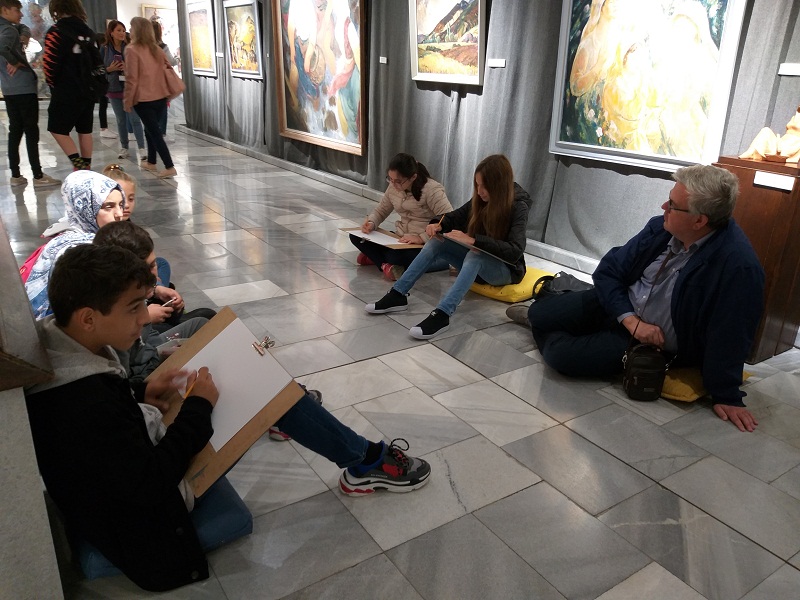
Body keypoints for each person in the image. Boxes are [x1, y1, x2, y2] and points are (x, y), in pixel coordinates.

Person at [24, 243, 432, 591]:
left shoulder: (62, 345)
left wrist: (140, 392)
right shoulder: (84, 404)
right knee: (269, 392)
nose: (144, 318)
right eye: (134, 309)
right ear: (88, 318)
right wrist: (198, 407)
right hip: (152, 518)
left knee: (260, 382)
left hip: (134, 464)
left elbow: (111, 428)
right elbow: (151, 483)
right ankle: (366, 462)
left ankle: (323, 435)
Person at [520, 164, 764, 432]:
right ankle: (557, 322)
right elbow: (609, 271)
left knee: (560, 356)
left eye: (673, 205)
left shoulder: (738, 267)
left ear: (699, 221)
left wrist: (727, 394)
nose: (664, 206)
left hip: (645, 343)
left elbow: (732, 333)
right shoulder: (661, 228)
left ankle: (565, 329)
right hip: (620, 309)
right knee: (537, 312)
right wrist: (629, 319)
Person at [365, 154, 532, 339]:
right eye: (477, 185)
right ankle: (398, 294)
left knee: (474, 255)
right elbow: (454, 216)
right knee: (437, 241)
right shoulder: (480, 200)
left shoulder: (518, 206)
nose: (479, 191)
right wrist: (438, 224)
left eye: (485, 186)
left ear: (498, 186)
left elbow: (515, 250)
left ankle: (443, 314)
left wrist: (474, 240)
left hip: (506, 271)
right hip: (478, 265)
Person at [25, 170, 124, 318]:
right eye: (108, 207)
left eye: (121, 205)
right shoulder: (86, 251)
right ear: (84, 207)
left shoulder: (66, 233)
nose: (119, 214)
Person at [351, 153, 453, 281]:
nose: (393, 184)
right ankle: (385, 265)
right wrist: (371, 223)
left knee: (397, 257)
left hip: (423, 243)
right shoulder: (393, 185)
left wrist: (421, 238)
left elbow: (448, 220)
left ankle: (378, 259)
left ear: (413, 177)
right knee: (356, 236)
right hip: (401, 238)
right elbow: (382, 210)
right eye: (390, 179)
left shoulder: (432, 190)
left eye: (398, 181)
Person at [0, 0, 60, 188]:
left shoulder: (8, 27)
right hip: (23, 87)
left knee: (15, 130)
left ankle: (16, 175)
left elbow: (22, 27)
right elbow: (2, 46)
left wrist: (25, 34)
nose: (20, 14)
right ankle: (38, 175)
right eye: (16, 10)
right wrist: (17, 62)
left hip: (9, 88)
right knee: (31, 131)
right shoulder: (8, 30)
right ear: (4, 10)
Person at [42, 0, 96, 170]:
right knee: (85, 129)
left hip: (66, 88)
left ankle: (79, 165)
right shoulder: (87, 30)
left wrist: (52, 83)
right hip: (88, 88)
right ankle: (86, 167)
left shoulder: (56, 31)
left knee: (57, 128)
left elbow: (49, 64)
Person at [124, 16, 176, 178]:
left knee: (154, 132)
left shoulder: (132, 50)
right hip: (161, 96)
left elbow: (132, 78)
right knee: (150, 129)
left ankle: (169, 166)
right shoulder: (157, 49)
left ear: (137, 30)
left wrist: (127, 99)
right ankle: (151, 162)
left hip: (144, 99)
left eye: (131, 27)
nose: (129, 31)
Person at [102, 20, 146, 161]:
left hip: (130, 88)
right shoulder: (105, 49)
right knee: (120, 120)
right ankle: (124, 147)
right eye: (118, 30)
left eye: (123, 30)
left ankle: (142, 148)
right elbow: (99, 69)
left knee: (135, 119)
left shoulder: (130, 47)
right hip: (114, 88)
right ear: (111, 32)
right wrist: (110, 69)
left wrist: (127, 67)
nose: (122, 33)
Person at [151, 19, 176, 142]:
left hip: (149, 80)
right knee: (162, 106)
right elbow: (171, 61)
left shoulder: (143, 47)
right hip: (161, 80)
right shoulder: (163, 47)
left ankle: (153, 130)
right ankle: (161, 132)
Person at [94, 31, 116, 139]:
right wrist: (108, 69)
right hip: (101, 82)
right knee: (103, 104)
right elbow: (99, 69)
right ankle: (103, 128)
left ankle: (104, 127)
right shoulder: (101, 52)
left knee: (103, 104)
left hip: (103, 81)